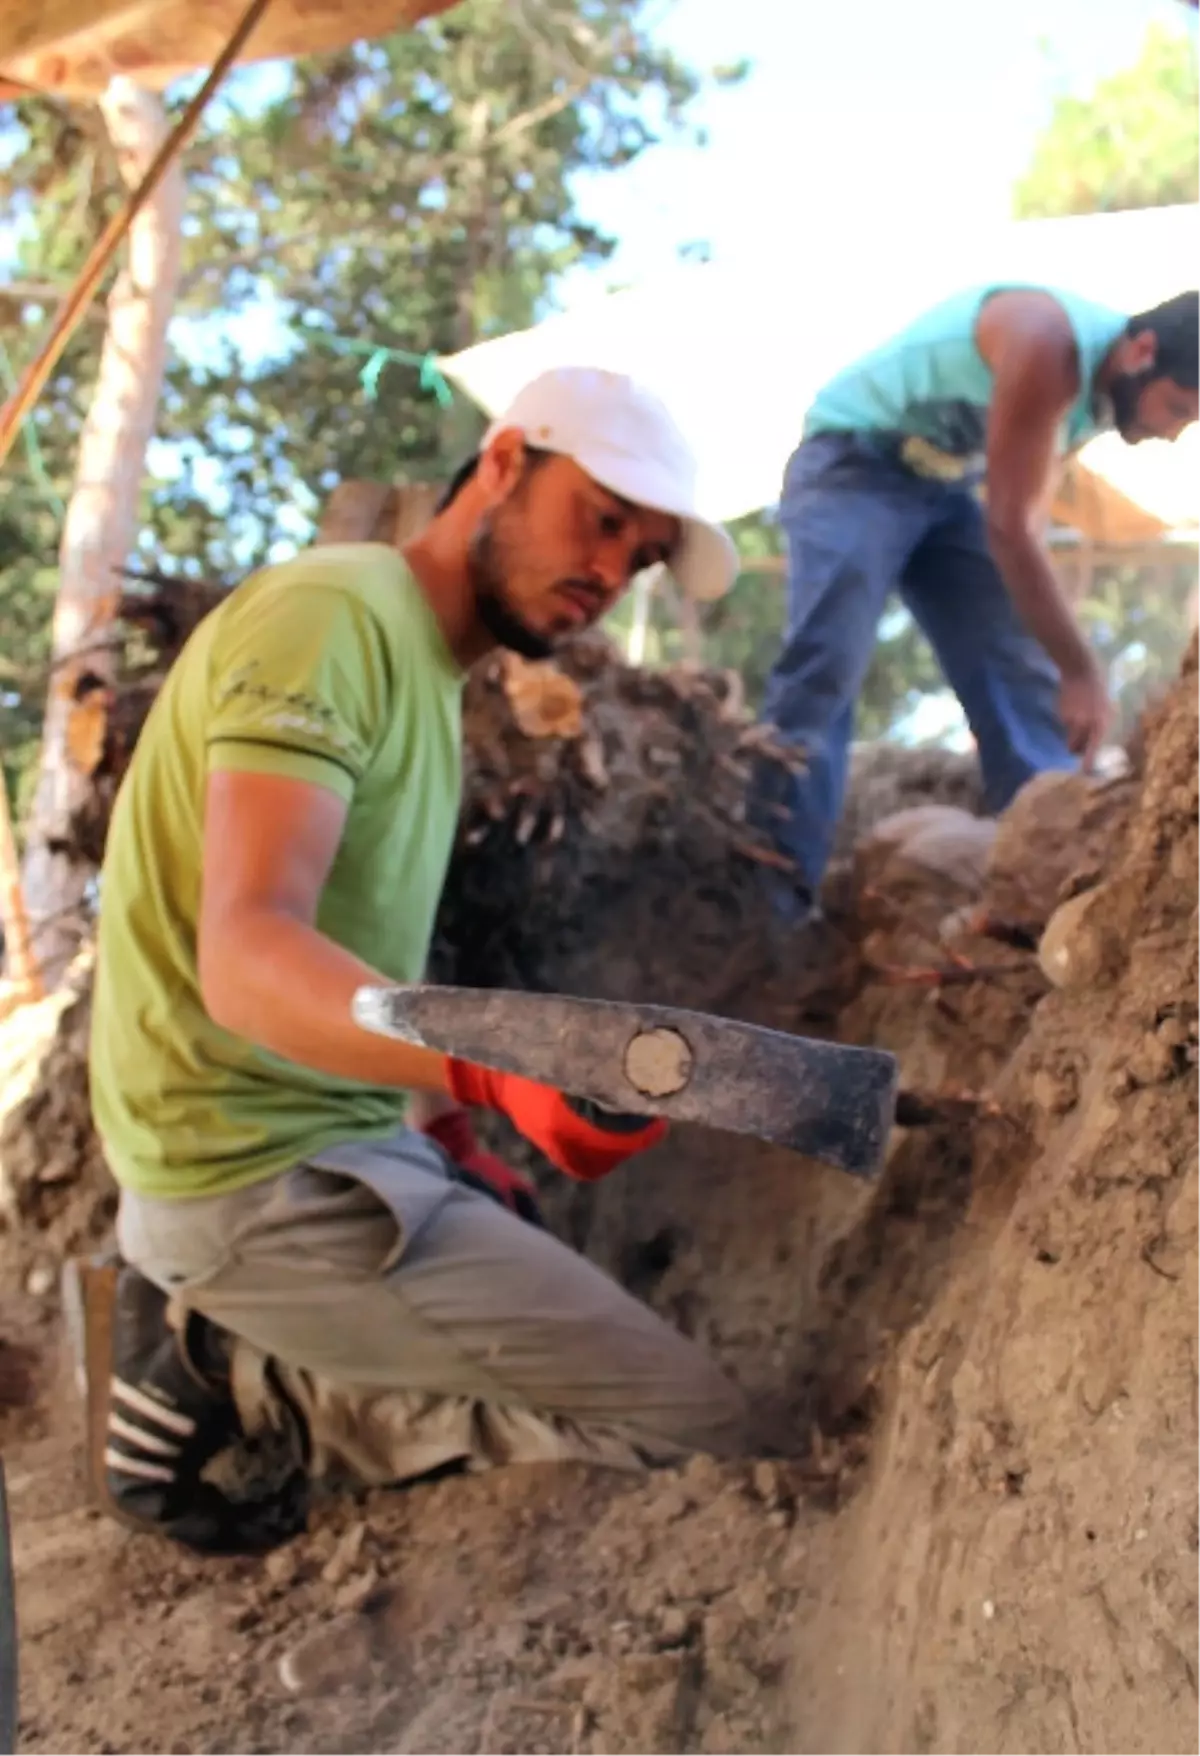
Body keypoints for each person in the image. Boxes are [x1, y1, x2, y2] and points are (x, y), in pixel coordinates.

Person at [77, 365, 742, 1556]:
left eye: (639, 557)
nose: (610, 570)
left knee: (580, 1311)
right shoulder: (330, 617)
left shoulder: (426, 671)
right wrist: (498, 1065)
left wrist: (448, 1132)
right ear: (500, 463)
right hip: (247, 1179)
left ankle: (273, 1329)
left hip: (342, 1141)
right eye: (599, 517)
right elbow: (247, 957)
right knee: (703, 1430)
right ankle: (228, 1373)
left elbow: (347, 949)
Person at [747, 285, 1200, 921]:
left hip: (946, 486)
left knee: (1016, 661)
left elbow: (1027, 532)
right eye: (1177, 407)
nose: (1172, 433)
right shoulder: (1048, 344)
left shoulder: (1098, 399)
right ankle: (775, 899)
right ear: (1141, 351)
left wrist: (1055, 657)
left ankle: (1052, 870)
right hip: (854, 461)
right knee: (826, 665)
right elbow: (1011, 530)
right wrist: (1083, 670)